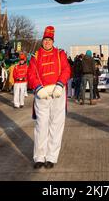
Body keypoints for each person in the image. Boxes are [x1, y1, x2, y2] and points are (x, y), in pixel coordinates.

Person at [27, 26, 71, 169]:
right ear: (42, 41)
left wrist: (60, 85)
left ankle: (51, 156)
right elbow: (31, 74)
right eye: (45, 40)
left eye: (49, 40)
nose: (47, 42)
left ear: (53, 41)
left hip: (58, 93)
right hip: (42, 95)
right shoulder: (35, 56)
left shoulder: (60, 53)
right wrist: (38, 88)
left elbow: (66, 69)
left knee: (56, 125)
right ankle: (39, 157)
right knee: (41, 125)